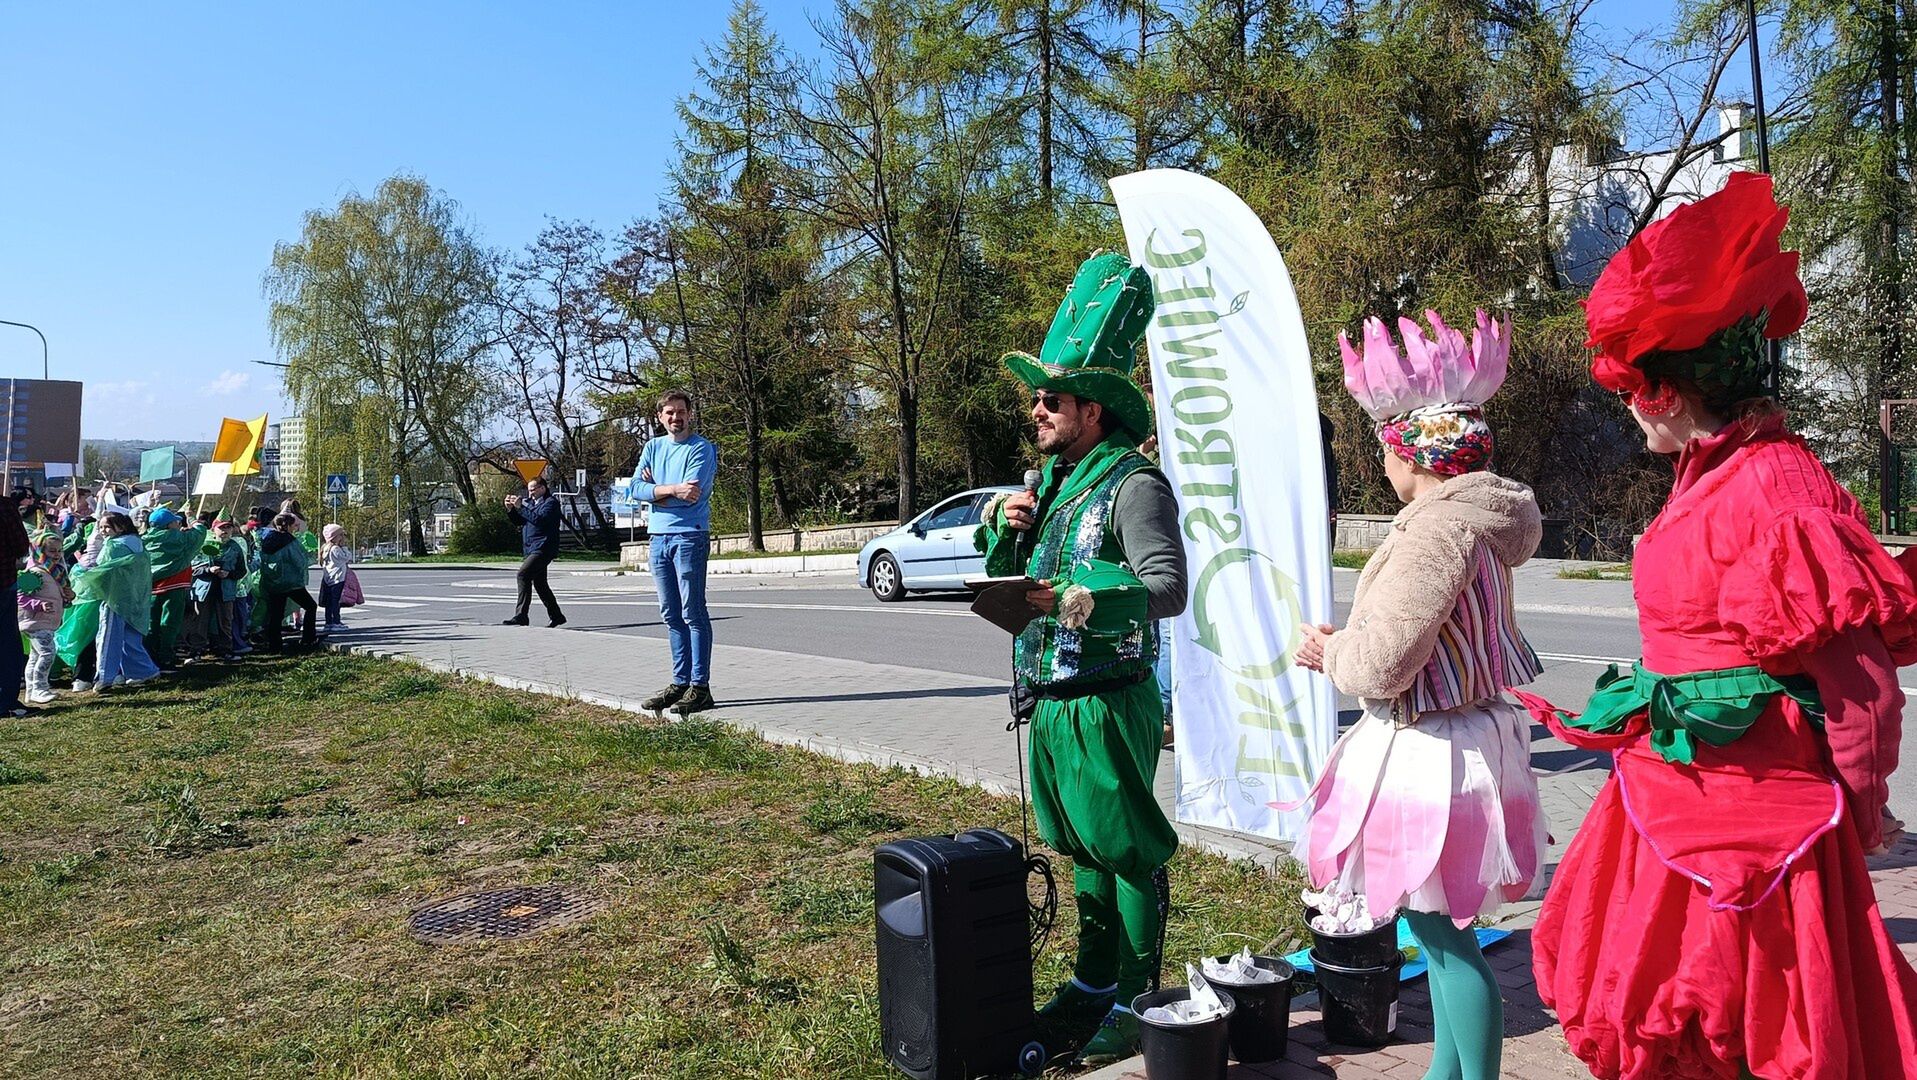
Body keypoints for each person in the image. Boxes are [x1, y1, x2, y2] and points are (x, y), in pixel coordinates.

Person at [1515, 173, 1917, 1078]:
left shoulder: (1776, 487)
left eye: (1629, 394)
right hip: (1672, 798)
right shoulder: (1712, 475)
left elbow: (1858, 685)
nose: (1627, 413)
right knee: (1672, 1018)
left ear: (1661, 391)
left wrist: (1860, 807)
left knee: (1755, 1029)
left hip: (1759, 828)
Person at [1289, 309, 1543, 1080]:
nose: (1385, 470)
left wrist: (1330, 650)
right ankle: (1444, 1072)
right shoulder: (1478, 524)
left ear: (1412, 454)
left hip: (1430, 752)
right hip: (1466, 738)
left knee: (1442, 937)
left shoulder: (1432, 531)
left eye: (1387, 453)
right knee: (1434, 927)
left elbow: (1382, 665)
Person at [972, 253, 1187, 1066]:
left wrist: (1070, 596)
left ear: (1092, 410)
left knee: (1125, 847)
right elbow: (1008, 578)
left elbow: (1165, 588)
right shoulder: (1054, 482)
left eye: (1049, 399)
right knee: (1082, 845)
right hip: (1052, 698)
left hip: (1106, 697)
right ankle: (1095, 983)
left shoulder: (1133, 483)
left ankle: (1140, 1000)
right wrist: (1004, 522)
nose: (1035, 411)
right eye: (1035, 399)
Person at [634, 390, 720, 717]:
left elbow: (692, 495)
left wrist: (653, 490)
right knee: (670, 612)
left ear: (690, 414)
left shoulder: (701, 448)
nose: (675, 417)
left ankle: (700, 687)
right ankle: (679, 683)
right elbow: (633, 491)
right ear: (660, 417)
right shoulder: (652, 447)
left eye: (681, 411)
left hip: (689, 537)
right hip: (658, 538)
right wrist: (669, 490)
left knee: (692, 611)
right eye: (669, 412)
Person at [87, 512, 161, 690]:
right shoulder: (137, 543)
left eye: (106, 527)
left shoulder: (113, 546)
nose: (103, 531)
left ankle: (105, 677)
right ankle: (143, 670)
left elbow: (102, 570)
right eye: (101, 527)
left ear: (120, 527)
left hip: (115, 599)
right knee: (130, 637)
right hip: (135, 598)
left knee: (108, 637)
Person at [141, 507, 206, 670]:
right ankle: (166, 658)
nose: (178, 523)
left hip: (149, 586)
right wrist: (193, 519)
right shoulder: (178, 538)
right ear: (169, 525)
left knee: (151, 623)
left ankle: (149, 658)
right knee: (170, 623)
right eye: (176, 521)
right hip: (174, 585)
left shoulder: (143, 539)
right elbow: (200, 533)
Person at [501, 477, 565, 628]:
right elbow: (520, 521)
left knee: (522, 575)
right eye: (529, 490)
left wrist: (521, 507)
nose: (530, 494)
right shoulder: (529, 503)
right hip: (531, 547)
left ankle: (521, 615)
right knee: (540, 583)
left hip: (544, 548)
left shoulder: (551, 503)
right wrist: (511, 510)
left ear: (542, 488)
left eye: (533, 490)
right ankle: (557, 615)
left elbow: (540, 520)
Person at [17, 532, 65, 706]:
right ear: (39, 550)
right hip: (36, 621)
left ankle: (31, 691)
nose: (57, 555)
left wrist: (66, 596)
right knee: (47, 653)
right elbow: (21, 597)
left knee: (35, 656)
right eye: (52, 551)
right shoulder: (34, 572)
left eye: (59, 550)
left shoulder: (54, 572)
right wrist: (39, 605)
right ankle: (40, 688)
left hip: (46, 621)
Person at [259, 513, 317, 652]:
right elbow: (299, 561)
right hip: (291, 582)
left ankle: (275, 645)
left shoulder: (267, 539)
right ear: (289, 526)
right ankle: (308, 639)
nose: (295, 528)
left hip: (273, 582)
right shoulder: (290, 541)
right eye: (294, 525)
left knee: (276, 614)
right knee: (311, 606)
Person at [319, 523, 352, 631]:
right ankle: (336, 622)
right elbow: (346, 558)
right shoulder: (336, 549)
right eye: (341, 535)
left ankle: (329, 621)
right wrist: (345, 548)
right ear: (334, 537)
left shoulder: (326, 548)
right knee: (335, 601)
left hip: (328, 578)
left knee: (329, 602)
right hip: (337, 578)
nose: (343, 537)